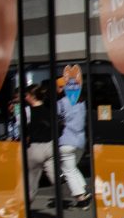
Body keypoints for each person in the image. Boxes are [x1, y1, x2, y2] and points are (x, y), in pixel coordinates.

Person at [55, 67, 91, 206]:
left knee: (67, 169)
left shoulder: (62, 102)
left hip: (66, 141)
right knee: (73, 167)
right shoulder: (82, 103)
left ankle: (80, 196)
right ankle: (83, 188)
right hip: (80, 142)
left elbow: (56, 116)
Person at [20, 83, 59, 199]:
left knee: (31, 182)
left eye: (27, 95)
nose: (25, 97)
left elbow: (23, 129)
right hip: (50, 146)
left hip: (35, 148)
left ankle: (25, 206)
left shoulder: (27, 111)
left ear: (32, 96)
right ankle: (69, 195)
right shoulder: (49, 109)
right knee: (54, 177)